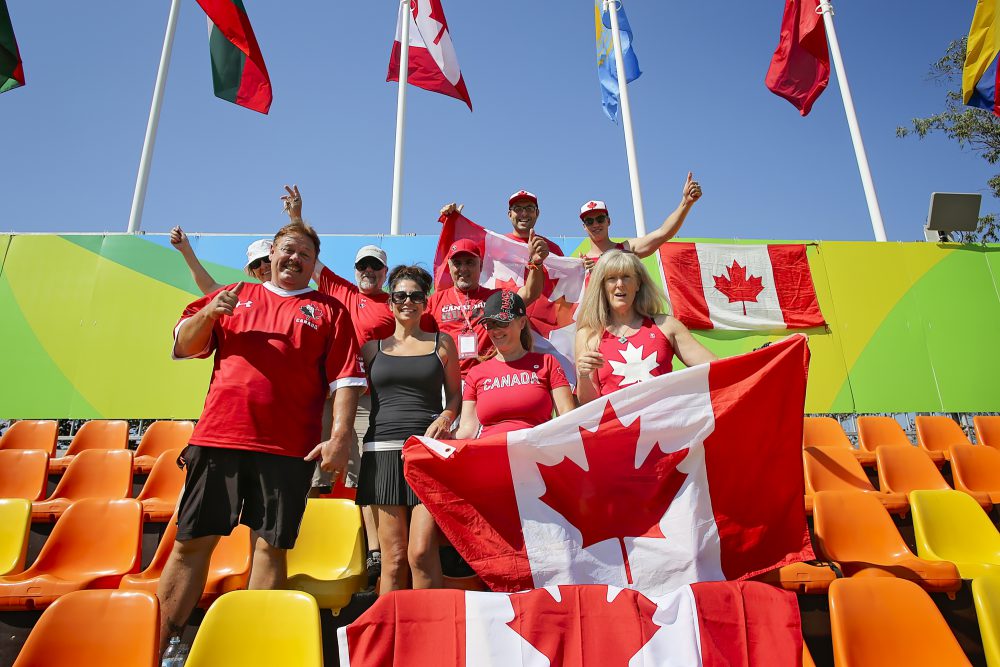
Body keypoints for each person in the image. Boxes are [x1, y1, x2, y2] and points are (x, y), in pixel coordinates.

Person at [157, 221, 366, 651]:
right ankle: (158, 647)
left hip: (288, 451)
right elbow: (183, 346)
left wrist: (340, 437)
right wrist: (208, 314)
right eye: (288, 250)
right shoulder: (233, 295)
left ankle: (252, 651)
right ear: (271, 253)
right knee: (191, 544)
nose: (295, 259)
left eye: (305, 254)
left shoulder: (330, 310)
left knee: (271, 549)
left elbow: (346, 380)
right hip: (218, 441)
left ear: (315, 263)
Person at [281, 186, 389, 580]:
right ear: (355, 270)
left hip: (369, 400)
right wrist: (296, 217)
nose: (368, 273)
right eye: (363, 267)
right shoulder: (341, 289)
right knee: (317, 472)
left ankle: (374, 552)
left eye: (375, 268)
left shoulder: (396, 304)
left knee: (364, 477)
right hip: (330, 395)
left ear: (384, 272)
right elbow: (310, 259)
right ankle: (301, 544)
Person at [356, 265, 461, 594]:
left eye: (416, 296)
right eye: (400, 295)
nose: (408, 302)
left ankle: (432, 624)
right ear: (390, 302)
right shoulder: (371, 349)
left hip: (425, 455)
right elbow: (341, 388)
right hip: (381, 455)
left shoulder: (442, 344)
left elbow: (456, 396)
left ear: (425, 303)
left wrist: (445, 418)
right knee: (394, 560)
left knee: (421, 553)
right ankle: (390, 626)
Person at [574, 249, 717, 404]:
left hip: (663, 417)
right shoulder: (588, 334)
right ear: (602, 286)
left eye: (626, 277)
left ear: (638, 284)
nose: (619, 284)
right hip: (616, 419)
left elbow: (716, 368)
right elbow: (588, 403)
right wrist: (583, 376)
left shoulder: (666, 325)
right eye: (611, 278)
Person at [423, 233, 548, 378]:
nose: (463, 269)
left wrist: (536, 263)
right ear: (449, 267)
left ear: (481, 265)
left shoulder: (496, 298)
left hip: (488, 378)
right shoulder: (434, 301)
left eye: (470, 262)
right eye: (457, 263)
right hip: (447, 380)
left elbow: (530, 293)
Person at [456, 290, 576, 439]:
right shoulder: (475, 373)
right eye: (490, 324)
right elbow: (467, 430)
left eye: (502, 322)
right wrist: (437, 440)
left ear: (522, 322)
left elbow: (566, 416)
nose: (495, 330)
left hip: (536, 449)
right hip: (491, 449)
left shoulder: (547, 362)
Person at [579, 173, 703, 270]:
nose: (595, 224)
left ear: (609, 221)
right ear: (584, 226)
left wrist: (686, 203)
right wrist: (579, 271)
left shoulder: (626, 249)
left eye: (600, 219)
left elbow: (663, 233)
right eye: (589, 221)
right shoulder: (580, 264)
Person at [169, 227, 272, 293]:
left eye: (266, 259)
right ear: (253, 271)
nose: (263, 266)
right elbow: (210, 287)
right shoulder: (246, 292)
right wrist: (186, 249)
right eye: (256, 263)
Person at [504, 190, 565, 256]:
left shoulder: (553, 249)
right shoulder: (499, 244)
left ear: (537, 213)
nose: (524, 214)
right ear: (510, 215)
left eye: (529, 209)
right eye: (517, 209)